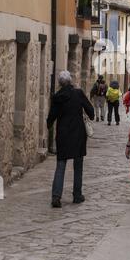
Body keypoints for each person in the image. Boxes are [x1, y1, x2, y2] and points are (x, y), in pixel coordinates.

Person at [47, 71, 94, 208]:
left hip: (63, 134)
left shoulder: (57, 97)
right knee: (78, 166)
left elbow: (51, 117)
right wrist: (87, 114)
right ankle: (77, 195)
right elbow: (91, 111)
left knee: (60, 165)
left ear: (60, 83)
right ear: (70, 81)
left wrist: (49, 125)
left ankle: (56, 196)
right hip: (78, 134)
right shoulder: (78, 94)